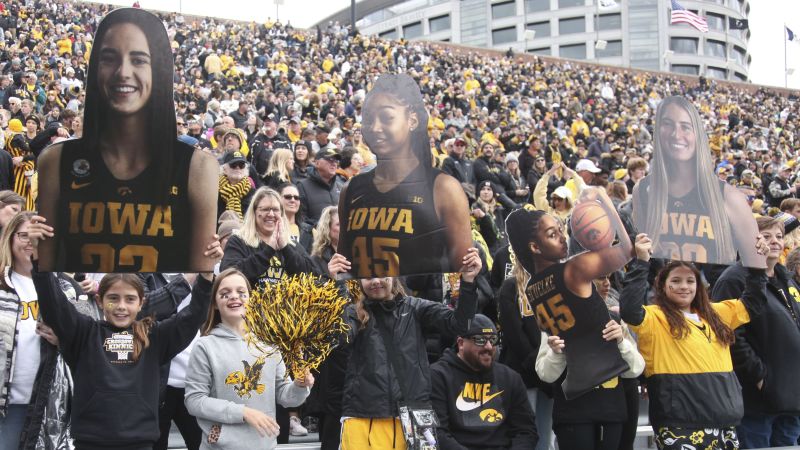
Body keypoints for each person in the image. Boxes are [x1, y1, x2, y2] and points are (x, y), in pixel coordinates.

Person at [36, 8, 219, 273]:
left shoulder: (197, 167)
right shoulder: (56, 160)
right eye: (109, 58)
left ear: (159, 70)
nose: (123, 72)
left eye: (139, 60)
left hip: (162, 314)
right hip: (77, 310)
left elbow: (199, 282)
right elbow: (46, 270)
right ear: (95, 68)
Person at [28, 213, 219, 449]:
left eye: (129, 299)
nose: (121, 306)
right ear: (99, 301)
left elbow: (192, 318)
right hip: (91, 441)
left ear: (141, 304)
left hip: (140, 441)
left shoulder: (154, 337)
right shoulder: (84, 333)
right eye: (113, 298)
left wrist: (207, 274)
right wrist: (39, 258)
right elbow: (54, 304)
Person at [619, 233, 768, 450]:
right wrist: (641, 262)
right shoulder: (655, 317)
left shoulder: (717, 314)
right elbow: (630, 310)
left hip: (724, 421)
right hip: (679, 424)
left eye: (690, 281)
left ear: (699, 286)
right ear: (662, 286)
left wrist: (756, 264)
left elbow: (754, 301)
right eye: (676, 281)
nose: (684, 286)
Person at [326, 246, 481, 450]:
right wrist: (337, 286)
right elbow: (338, 338)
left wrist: (468, 282)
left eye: (382, 274)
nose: (375, 281)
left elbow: (460, 325)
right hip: (363, 417)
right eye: (367, 276)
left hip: (414, 419)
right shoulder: (353, 312)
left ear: (394, 275)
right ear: (358, 280)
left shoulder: (416, 308)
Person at [504, 187, 634, 402]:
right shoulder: (574, 269)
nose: (563, 238)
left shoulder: (533, 287)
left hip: (574, 381)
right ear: (535, 247)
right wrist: (603, 199)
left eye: (561, 229)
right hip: (604, 373)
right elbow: (628, 249)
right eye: (553, 234)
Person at [338, 74, 472, 278]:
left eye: (386, 117)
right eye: (368, 119)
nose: (374, 127)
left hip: (424, 308)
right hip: (363, 309)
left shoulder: (444, 189)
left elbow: (465, 277)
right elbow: (344, 269)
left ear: (412, 120)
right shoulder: (351, 190)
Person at [184, 268, 314, 450]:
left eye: (241, 292)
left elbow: (287, 397)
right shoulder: (205, 346)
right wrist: (243, 411)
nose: (234, 297)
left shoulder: (269, 344)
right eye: (225, 293)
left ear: (251, 299)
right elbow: (194, 401)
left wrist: (301, 386)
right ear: (214, 303)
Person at [0, 212, 96, 448]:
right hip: (7, 407)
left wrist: (64, 340)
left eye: (40, 237)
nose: (31, 243)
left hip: (52, 405)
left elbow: (89, 340)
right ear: (10, 239)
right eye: (24, 235)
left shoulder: (69, 287)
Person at [631, 96, 761, 267]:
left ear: (697, 135)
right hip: (659, 290)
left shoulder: (728, 196)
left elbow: (756, 269)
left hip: (712, 293)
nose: (676, 134)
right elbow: (641, 260)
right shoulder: (643, 189)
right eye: (667, 124)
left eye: (685, 127)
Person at [711, 215, 800, 448]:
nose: (775, 242)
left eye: (779, 236)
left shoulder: (787, 280)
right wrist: (760, 377)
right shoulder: (733, 279)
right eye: (766, 236)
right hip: (756, 400)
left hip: (792, 395)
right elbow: (730, 335)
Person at [535, 306, 644, 450]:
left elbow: (635, 370)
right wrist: (556, 353)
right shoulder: (554, 322)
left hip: (611, 413)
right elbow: (546, 375)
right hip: (573, 415)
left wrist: (621, 342)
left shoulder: (612, 318)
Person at [430, 314, 539, 450]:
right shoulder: (439, 376)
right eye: (480, 340)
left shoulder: (510, 378)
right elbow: (437, 432)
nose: (488, 346)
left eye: (493, 339)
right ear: (461, 343)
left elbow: (526, 431)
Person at [496, 254, 555, 450]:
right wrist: (535, 362)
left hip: (550, 371)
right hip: (523, 372)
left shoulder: (553, 286)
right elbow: (513, 333)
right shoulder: (510, 287)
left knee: (546, 435)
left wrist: (548, 362)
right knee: (525, 432)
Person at [220, 187, 314, 290]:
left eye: (275, 210)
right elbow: (228, 274)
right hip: (250, 305)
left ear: (282, 214)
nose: (271, 214)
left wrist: (285, 248)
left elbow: (311, 274)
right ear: (254, 212)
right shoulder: (238, 241)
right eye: (265, 209)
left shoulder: (291, 244)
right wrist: (268, 251)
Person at [279, 183, 313, 253]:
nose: (292, 200)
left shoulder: (310, 231)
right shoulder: (270, 229)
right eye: (288, 197)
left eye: (296, 198)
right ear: (278, 199)